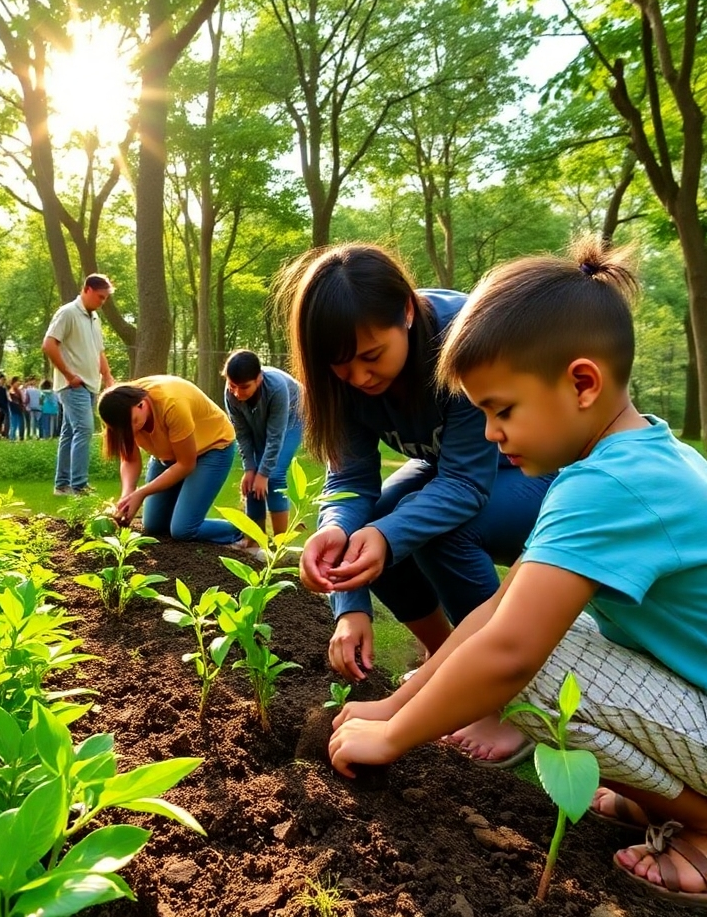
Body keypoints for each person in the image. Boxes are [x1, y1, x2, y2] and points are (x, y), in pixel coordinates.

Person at [328, 243, 707, 906]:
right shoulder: (628, 457)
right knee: (541, 634)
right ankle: (667, 799)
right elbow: (498, 607)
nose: (491, 434)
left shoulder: (608, 486)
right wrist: (390, 705)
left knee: (533, 667)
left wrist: (392, 737)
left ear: (582, 384)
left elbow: (509, 652)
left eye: (502, 410)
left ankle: (700, 822)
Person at [280, 244, 552, 765]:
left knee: (432, 530)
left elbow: (465, 485)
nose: (359, 378)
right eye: (341, 366)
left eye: (371, 356)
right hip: (457, 469)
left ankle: (504, 699)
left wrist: (386, 534)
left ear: (406, 311)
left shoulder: (465, 337)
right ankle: (445, 663)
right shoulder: (340, 383)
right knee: (379, 526)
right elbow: (349, 481)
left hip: (539, 466)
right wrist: (346, 584)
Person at [98, 376, 243, 544]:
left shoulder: (172, 404)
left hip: (212, 448)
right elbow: (130, 460)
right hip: (168, 454)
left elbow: (186, 464)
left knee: (183, 530)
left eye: (134, 422)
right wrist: (128, 495)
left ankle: (243, 530)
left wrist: (142, 492)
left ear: (141, 404)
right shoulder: (116, 412)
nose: (130, 432)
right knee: (154, 525)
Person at [42, 274, 115, 495]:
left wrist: (108, 377)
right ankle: (79, 485)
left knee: (69, 433)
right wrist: (69, 375)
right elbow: (49, 344)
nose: (102, 302)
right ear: (87, 289)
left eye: (105, 298)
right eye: (100, 297)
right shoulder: (68, 313)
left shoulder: (95, 318)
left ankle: (62, 485)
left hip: (91, 385)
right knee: (84, 429)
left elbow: (98, 352)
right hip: (74, 385)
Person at [222, 349, 302, 537]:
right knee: (252, 479)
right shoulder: (230, 393)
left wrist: (264, 473)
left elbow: (275, 435)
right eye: (232, 386)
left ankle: (280, 544)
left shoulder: (276, 387)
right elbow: (242, 434)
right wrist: (249, 469)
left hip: (293, 417)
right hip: (260, 418)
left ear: (258, 379)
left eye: (244, 387)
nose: (237, 393)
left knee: (273, 476)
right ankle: (254, 542)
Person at [7, 376, 25, 442]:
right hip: (14, 410)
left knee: (21, 424)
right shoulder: (11, 391)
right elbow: (11, 401)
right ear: (13, 383)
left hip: (20, 410)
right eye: (17, 382)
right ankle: (12, 438)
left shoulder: (18, 391)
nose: (18, 383)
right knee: (14, 424)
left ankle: (20, 437)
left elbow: (21, 400)